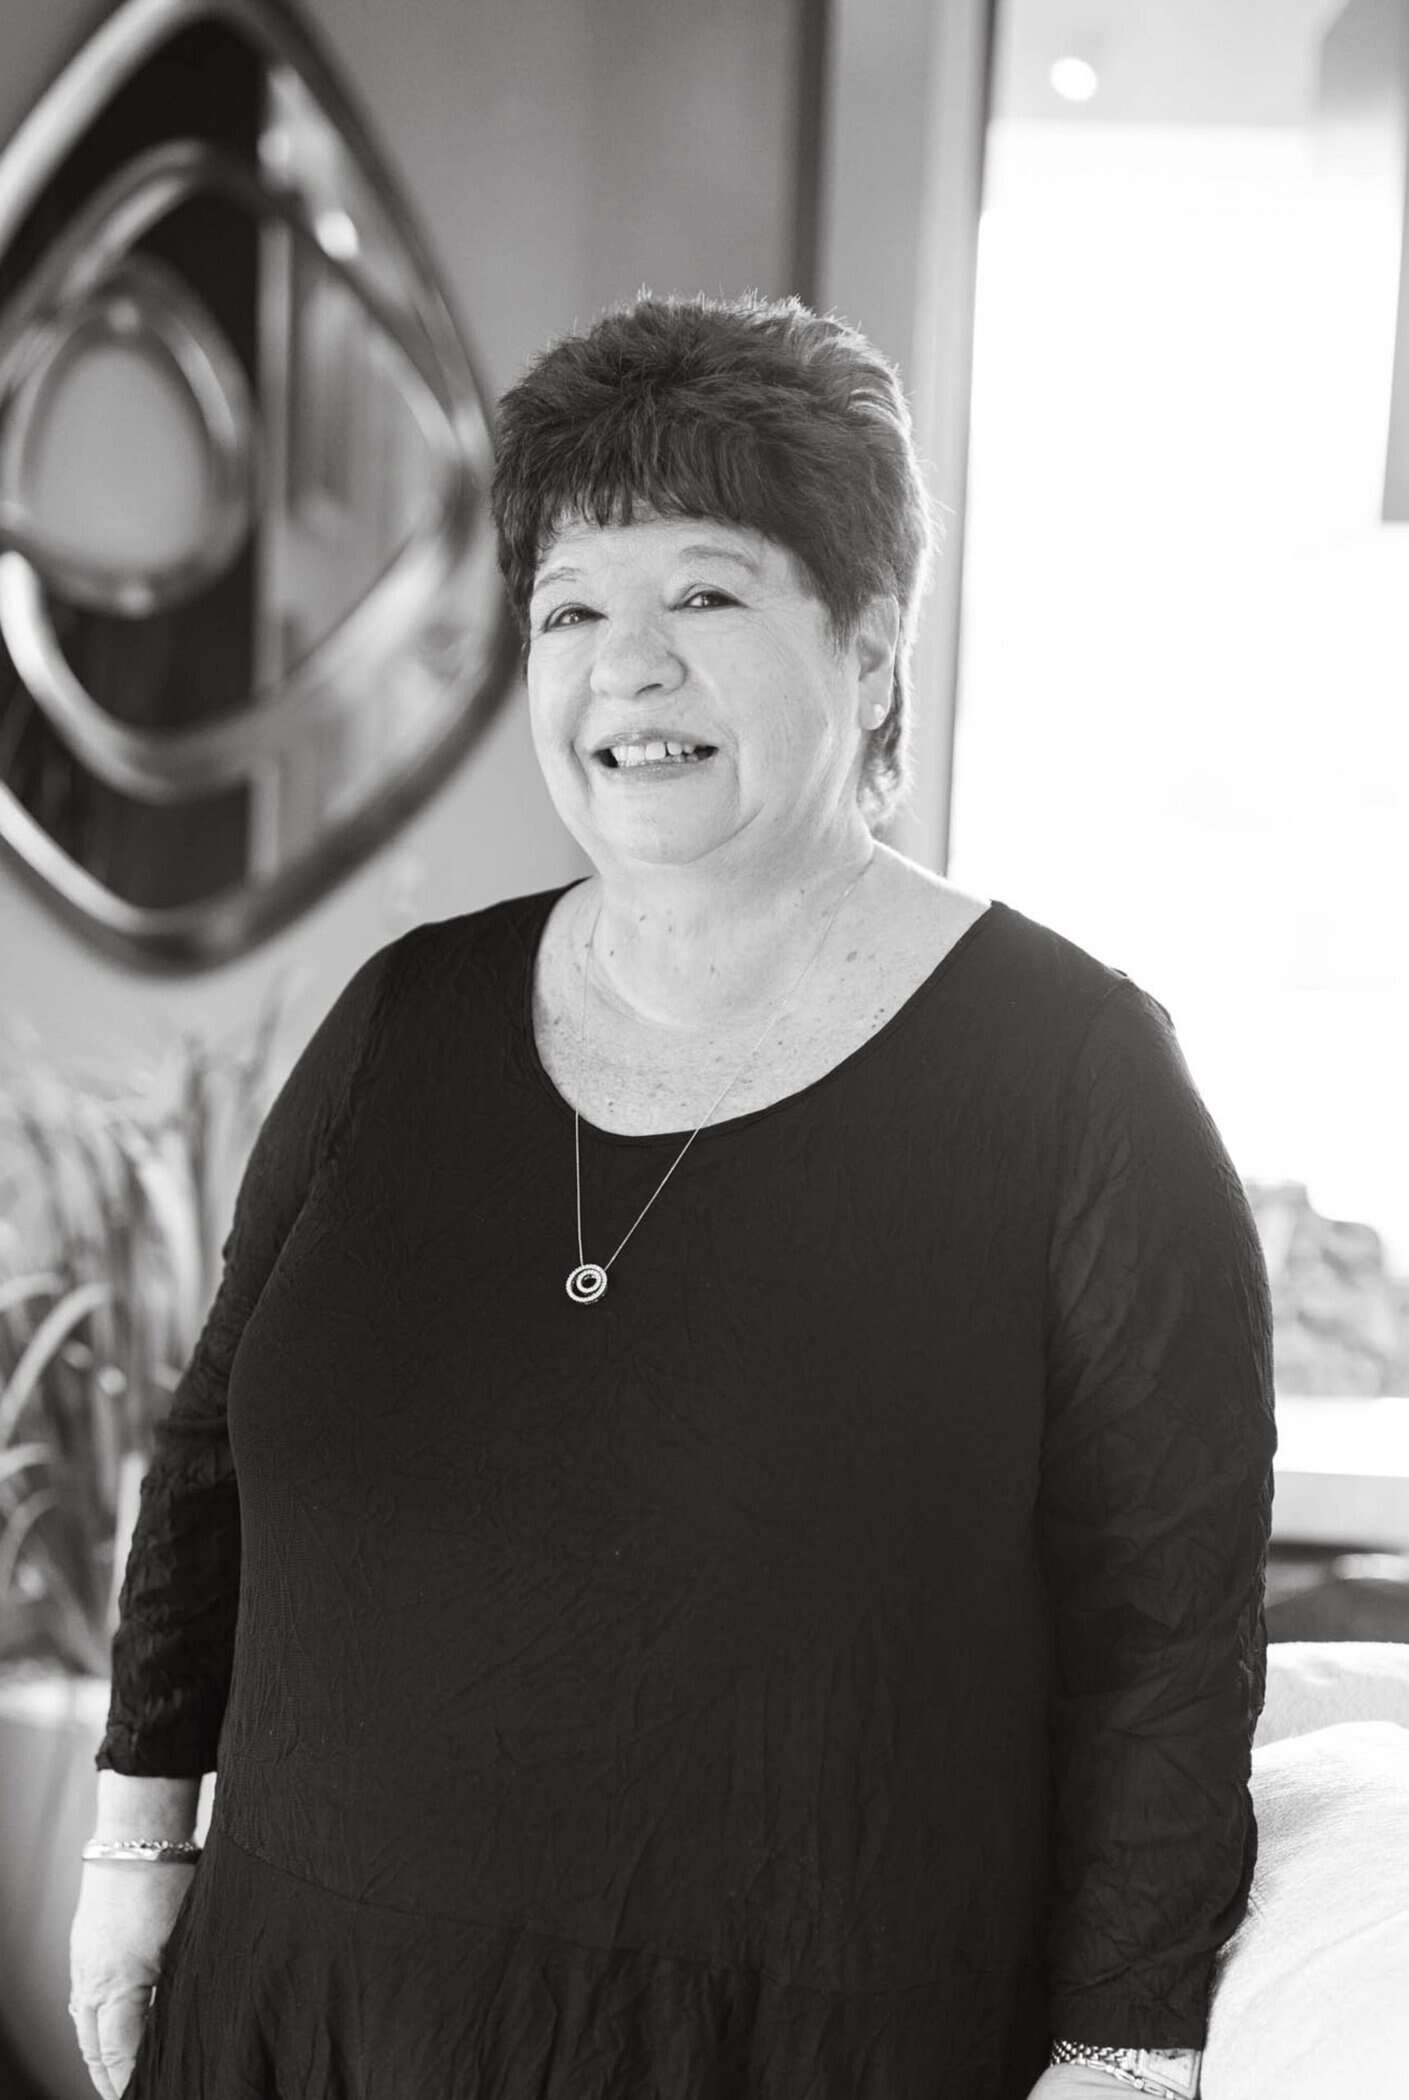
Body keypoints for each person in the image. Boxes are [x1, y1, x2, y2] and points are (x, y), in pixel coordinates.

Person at [69, 290, 1277, 2100]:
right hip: (308, 2008)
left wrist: (1121, 2053)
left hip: (794, 2041)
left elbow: (1168, 1638)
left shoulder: (1078, 1074)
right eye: (571, 609)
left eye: (705, 595)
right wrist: (136, 1842)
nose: (626, 669)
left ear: (871, 650)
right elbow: (211, 1457)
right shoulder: (407, 1015)